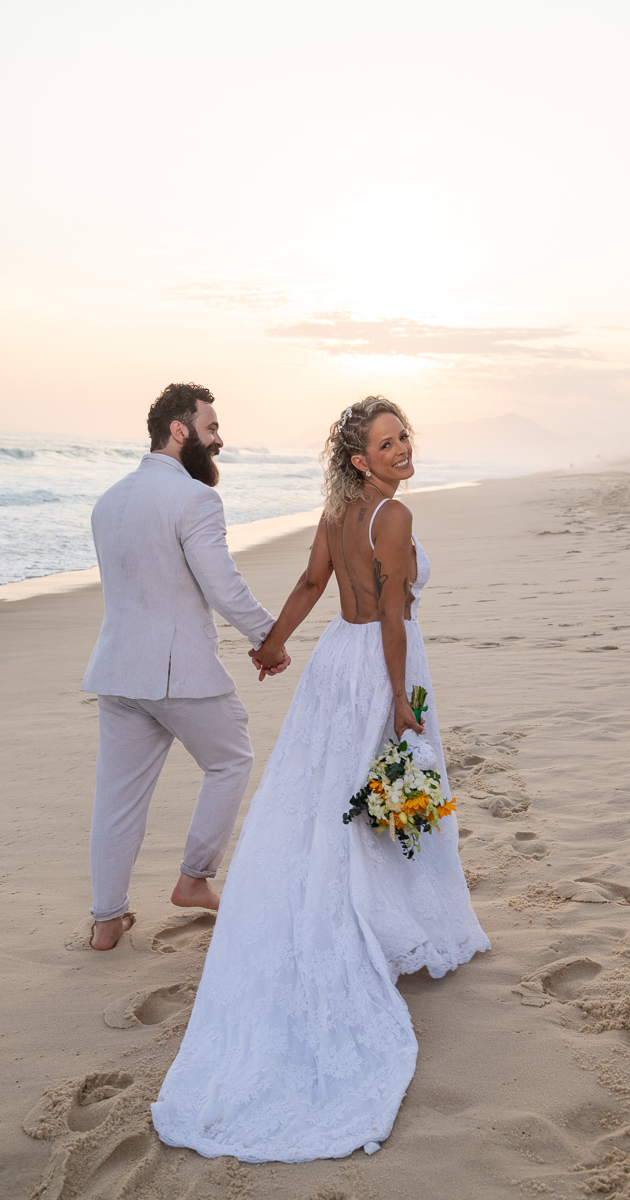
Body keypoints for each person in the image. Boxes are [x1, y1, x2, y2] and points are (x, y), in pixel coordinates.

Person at [151, 395, 490, 1161]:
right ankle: (393, 924)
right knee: (390, 799)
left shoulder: (339, 513)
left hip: (335, 664)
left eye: (404, 435)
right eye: (385, 442)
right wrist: (401, 699)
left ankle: (376, 912)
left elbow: (310, 586)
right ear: (359, 458)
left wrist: (273, 647)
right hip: (378, 667)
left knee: (335, 804)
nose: (403, 448)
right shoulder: (391, 520)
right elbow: (395, 614)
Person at [81, 382, 290, 952]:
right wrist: (268, 639)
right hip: (177, 671)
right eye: (212, 428)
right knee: (231, 758)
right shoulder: (196, 499)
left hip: (118, 672)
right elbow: (222, 583)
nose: (219, 440)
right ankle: (194, 878)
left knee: (117, 798)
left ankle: (106, 921)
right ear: (180, 430)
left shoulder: (108, 500)